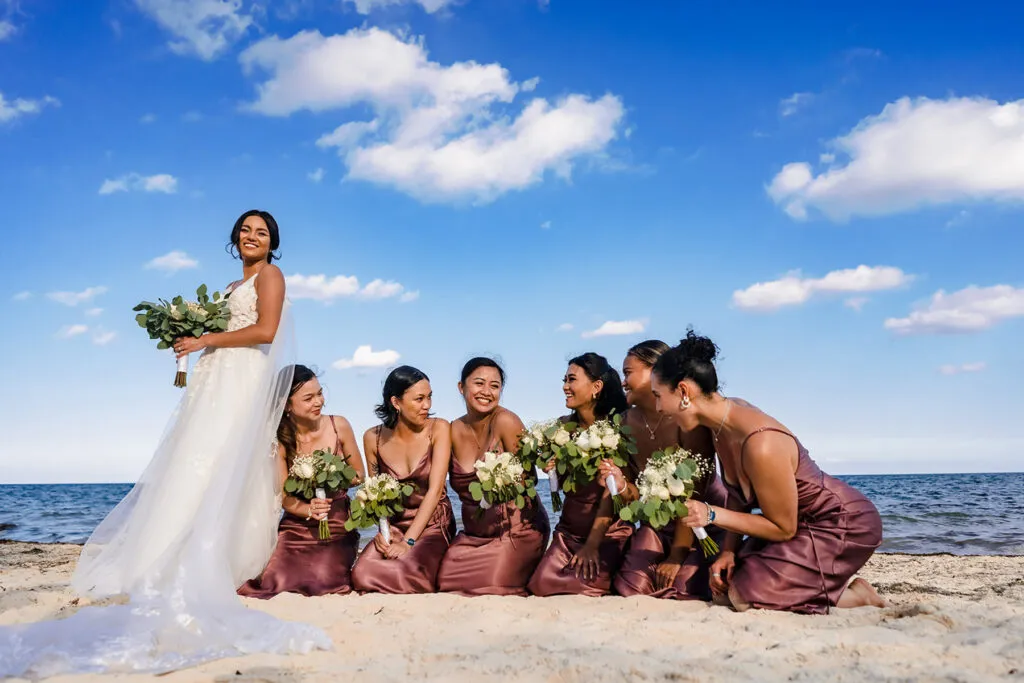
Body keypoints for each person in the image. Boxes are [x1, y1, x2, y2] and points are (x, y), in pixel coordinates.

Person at [0, 210, 330, 679]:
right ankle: (173, 562)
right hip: (216, 381)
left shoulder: (270, 276)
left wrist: (204, 339)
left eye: (262, 232)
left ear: (272, 242)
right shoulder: (231, 289)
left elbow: (266, 331)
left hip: (241, 382)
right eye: (245, 230)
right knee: (193, 465)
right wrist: (196, 340)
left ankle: (210, 564)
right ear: (235, 239)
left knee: (221, 466)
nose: (251, 236)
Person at [650, 329, 886, 613]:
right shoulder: (721, 425)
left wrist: (711, 514)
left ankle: (861, 596)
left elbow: (783, 527)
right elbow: (737, 494)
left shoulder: (761, 443)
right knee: (724, 586)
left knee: (746, 597)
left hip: (839, 523)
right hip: (796, 524)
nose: (658, 407)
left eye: (658, 396)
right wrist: (728, 551)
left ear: (684, 392)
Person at [604, 340, 727, 599]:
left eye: (628, 373)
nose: (623, 381)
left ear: (654, 372)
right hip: (657, 527)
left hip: (702, 526)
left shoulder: (688, 420)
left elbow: (695, 494)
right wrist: (622, 485)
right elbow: (635, 497)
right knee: (631, 588)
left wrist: (677, 555)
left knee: (680, 589)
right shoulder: (625, 423)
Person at [239, 365, 364, 598]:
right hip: (297, 526)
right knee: (276, 580)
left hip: (336, 524)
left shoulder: (340, 426)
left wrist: (331, 477)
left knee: (323, 581)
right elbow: (285, 496)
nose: (318, 402)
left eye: (319, 393)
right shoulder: (280, 440)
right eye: (308, 398)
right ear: (287, 405)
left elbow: (359, 474)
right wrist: (308, 509)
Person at [437, 358, 550, 596]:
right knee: (447, 580)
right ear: (461, 387)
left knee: (490, 585)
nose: (487, 392)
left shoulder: (506, 421)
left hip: (516, 531)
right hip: (474, 535)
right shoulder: (452, 429)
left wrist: (503, 482)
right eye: (479, 383)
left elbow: (530, 480)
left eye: (495, 386)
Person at [527, 353, 634, 597]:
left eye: (572, 379)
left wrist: (592, 545)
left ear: (596, 386)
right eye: (564, 379)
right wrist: (552, 468)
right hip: (568, 532)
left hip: (606, 532)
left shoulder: (619, 429)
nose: (565, 386)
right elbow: (567, 483)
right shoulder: (563, 427)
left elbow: (614, 492)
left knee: (583, 586)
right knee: (540, 585)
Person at [351, 366, 455, 593]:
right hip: (396, 525)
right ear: (396, 402)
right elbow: (376, 496)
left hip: (432, 524)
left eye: (429, 397)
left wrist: (408, 542)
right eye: (419, 399)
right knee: (361, 574)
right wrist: (383, 532)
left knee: (403, 570)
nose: (427, 405)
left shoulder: (439, 428)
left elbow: (435, 490)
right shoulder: (373, 438)